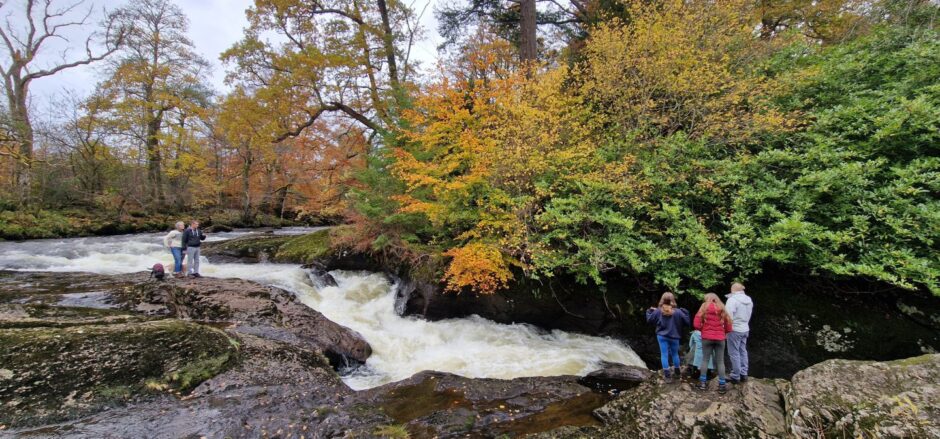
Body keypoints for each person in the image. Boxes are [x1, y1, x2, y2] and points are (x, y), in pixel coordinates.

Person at [646, 292, 690, 384]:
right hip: (675, 336)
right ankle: (677, 373)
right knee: (675, 354)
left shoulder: (658, 311)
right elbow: (687, 322)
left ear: (662, 300)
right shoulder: (678, 312)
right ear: (673, 300)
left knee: (664, 355)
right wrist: (685, 312)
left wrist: (650, 311)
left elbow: (649, 320)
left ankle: (667, 376)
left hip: (662, 336)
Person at [693, 293, 733, 394]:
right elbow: (729, 326)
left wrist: (704, 330)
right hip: (720, 338)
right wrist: (723, 333)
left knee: (705, 359)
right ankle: (722, 385)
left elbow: (696, 324)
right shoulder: (722, 307)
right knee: (720, 361)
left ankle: (702, 383)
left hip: (706, 337)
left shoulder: (703, 307)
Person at [726, 282, 753, 384]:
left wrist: (726, 330)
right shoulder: (749, 300)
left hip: (735, 329)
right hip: (745, 328)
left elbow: (728, 317)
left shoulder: (732, 300)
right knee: (743, 351)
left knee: (734, 353)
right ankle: (744, 374)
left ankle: (735, 376)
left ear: (733, 290)